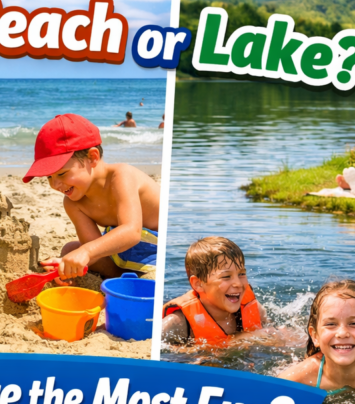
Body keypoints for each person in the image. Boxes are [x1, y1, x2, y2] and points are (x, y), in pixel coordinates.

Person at [24, 114, 160, 281]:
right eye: (49, 177)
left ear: (92, 157)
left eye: (62, 173)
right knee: (70, 250)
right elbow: (93, 251)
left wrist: (86, 252)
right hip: (124, 255)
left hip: (158, 250)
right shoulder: (73, 203)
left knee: (82, 251)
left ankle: (138, 280)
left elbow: (132, 232)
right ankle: (125, 279)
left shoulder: (122, 176)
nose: (55, 184)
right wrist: (66, 266)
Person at [160, 237, 266, 345]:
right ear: (198, 284)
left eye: (241, 274)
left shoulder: (254, 309)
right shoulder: (177, 324)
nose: (238, 283)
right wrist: (238, 341)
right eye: (226, 276)